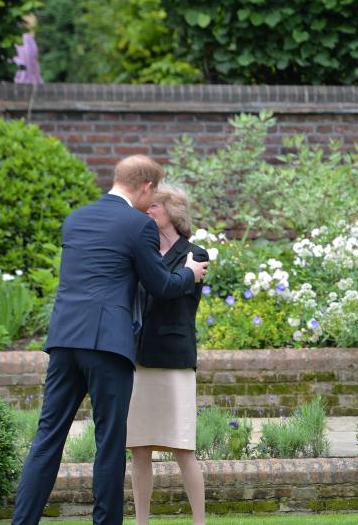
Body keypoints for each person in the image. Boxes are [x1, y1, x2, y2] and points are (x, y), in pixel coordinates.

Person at [12, 155, 209, 525]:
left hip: (64, 341)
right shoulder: (138, 226)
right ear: (147, 187)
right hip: (108, 346)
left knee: (47, 440)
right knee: (109, 446)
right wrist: (189, 273)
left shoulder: (75, 220)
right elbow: (162, 286)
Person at [126, 184, 209, 525]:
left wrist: (179, 274)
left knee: (183, 447)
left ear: (172, 211)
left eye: (154, 206)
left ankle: (199, 521)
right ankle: (141, 521)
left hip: (174, 359)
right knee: (139, 448)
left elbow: (172, 293)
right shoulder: (141, 252)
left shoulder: (196, 254)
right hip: (139, 360)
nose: (147, 210)